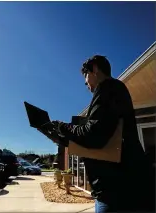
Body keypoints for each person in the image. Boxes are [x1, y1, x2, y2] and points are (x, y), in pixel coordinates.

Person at [40, 55, 155, 213]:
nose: (86, 83)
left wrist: (62, 126)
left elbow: (93, 136)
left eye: (86, 76)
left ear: (94, 69)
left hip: (118, 194)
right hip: (115, 191)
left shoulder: (107, 87)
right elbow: (94, 139)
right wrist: (59, 138)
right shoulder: (114, 90)